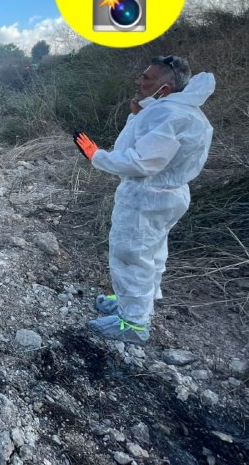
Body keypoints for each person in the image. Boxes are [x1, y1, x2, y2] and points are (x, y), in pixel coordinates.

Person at [73, 56, 215, 344]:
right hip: (167, 195)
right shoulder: (180, 110)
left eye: (146, 78)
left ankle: (134, 322)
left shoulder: (168, 115)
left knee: (131, 255)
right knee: (152, 251)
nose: (139, 81)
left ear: (165, 87)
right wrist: (138, 113)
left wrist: (96, 156)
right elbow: (147, 146)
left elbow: (140, 162)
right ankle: (137, 300)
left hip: (147, 197)